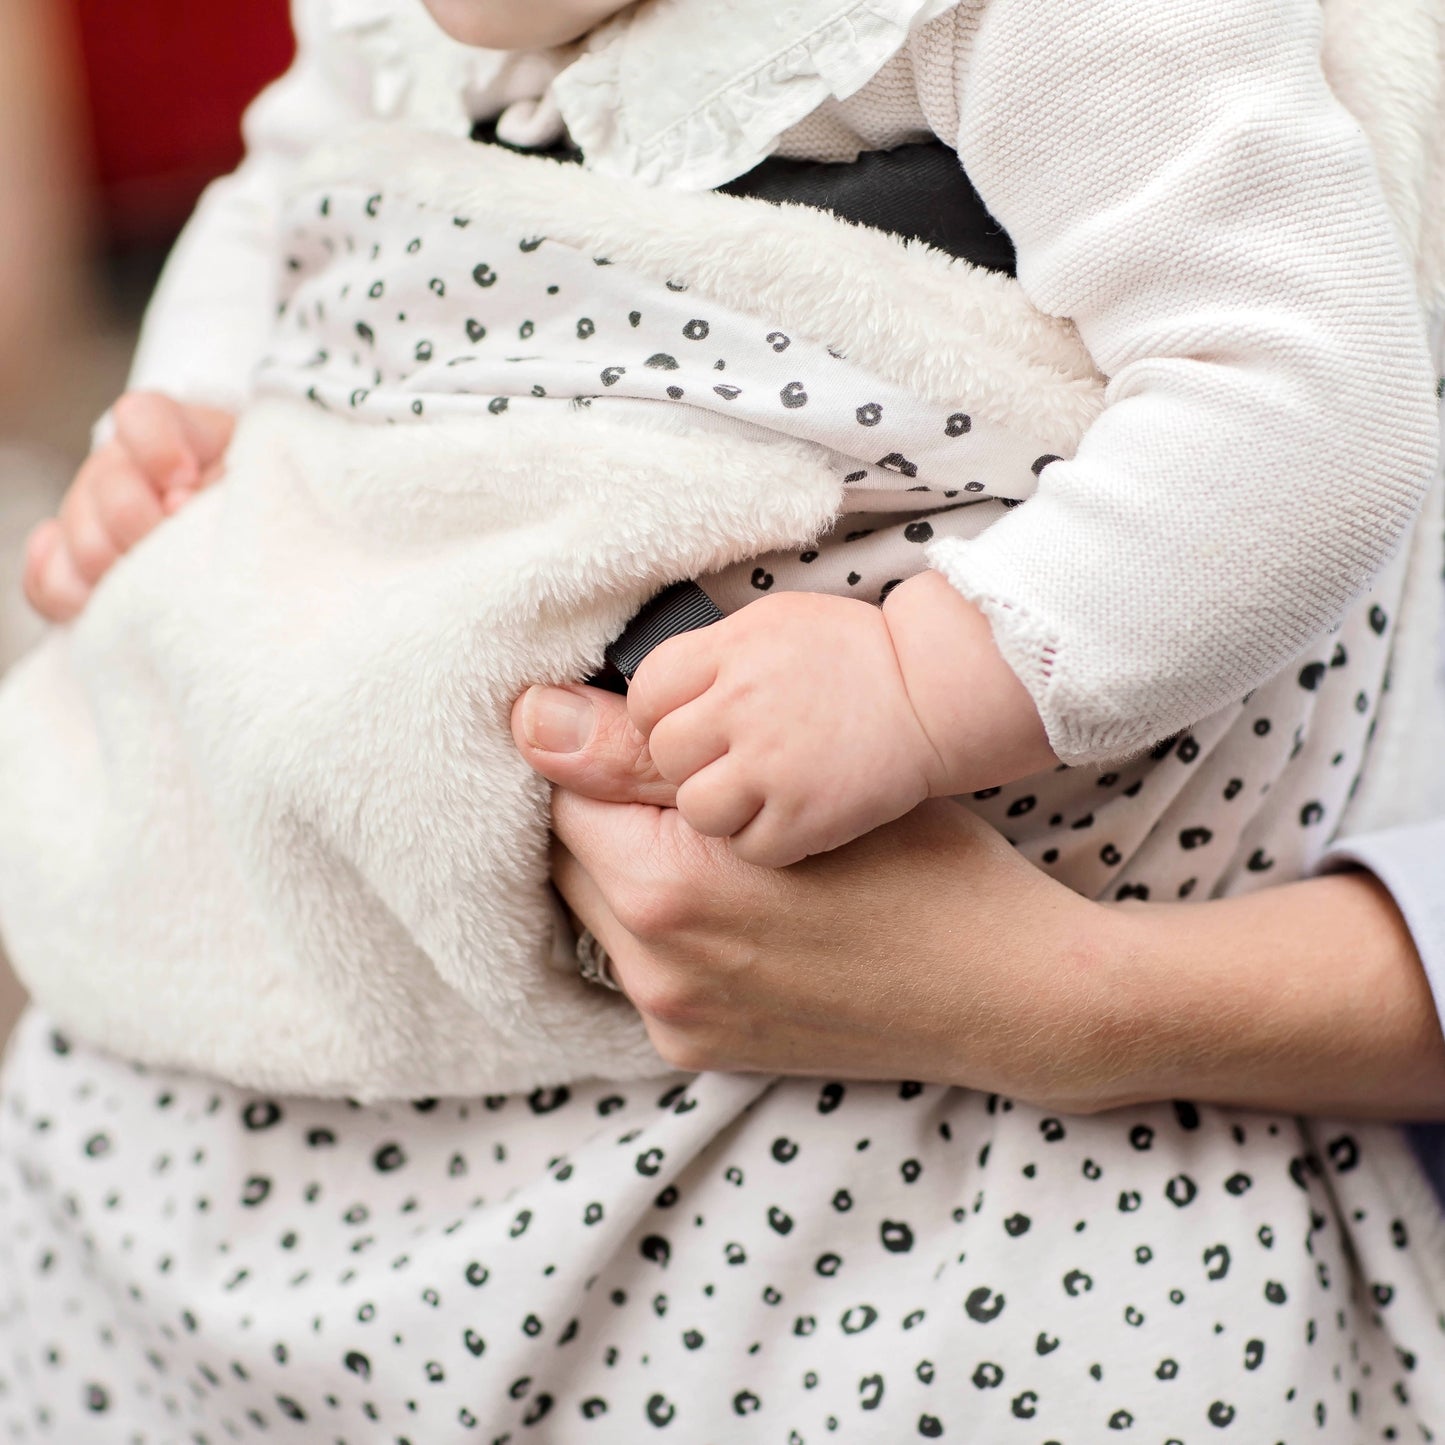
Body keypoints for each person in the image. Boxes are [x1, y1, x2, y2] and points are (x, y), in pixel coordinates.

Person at [1, 0, 1443, 1438]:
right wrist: (186, 411)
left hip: (920, 1018)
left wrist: (925, 678)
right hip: (361, 939)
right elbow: (289, 186)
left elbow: (1299, 388)